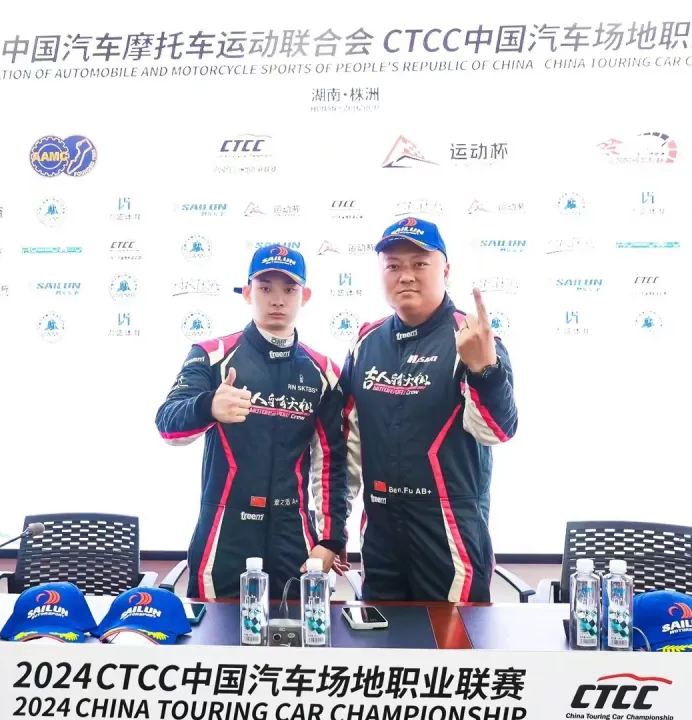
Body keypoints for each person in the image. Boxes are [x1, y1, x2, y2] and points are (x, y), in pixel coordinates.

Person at [155, 244, 349, 600]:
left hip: (294, 532)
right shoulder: (211, 354)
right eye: (265, 288)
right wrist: (208, 406)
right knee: (214, 632)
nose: (277, 299)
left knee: (301, 632)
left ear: (304, 296)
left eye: (289, 289)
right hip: (224, 530)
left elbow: (331, 464)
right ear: (247, 293)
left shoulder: (324, 371)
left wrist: (331, 539)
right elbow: (168, 425)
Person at [340, 217, 519, 602]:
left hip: (448, 532)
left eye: (420, 264)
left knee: (452, 641)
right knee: (380, 639)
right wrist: (333, 528)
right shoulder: (365, 342)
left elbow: (497, 431)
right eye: (393, 266)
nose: (406, 276)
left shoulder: (472, 337)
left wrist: (484, 370)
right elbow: (349, 446)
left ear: (446, 271)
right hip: (380, 531)